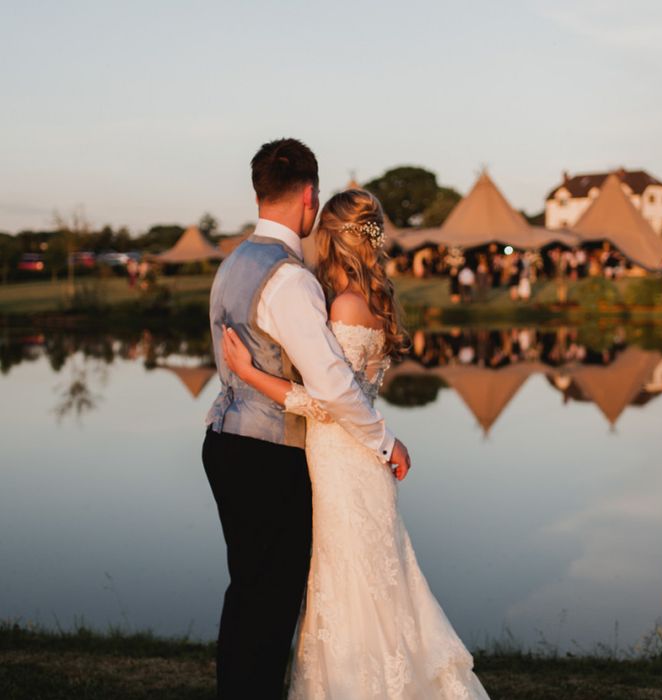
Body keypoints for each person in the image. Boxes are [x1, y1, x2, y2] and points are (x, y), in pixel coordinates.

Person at [221, 188, 490, 699]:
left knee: (350, 592)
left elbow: (329, 402)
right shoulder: (369, 301)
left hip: (342, 465)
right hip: (354, 462)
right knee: (371, 591)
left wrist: (249, 374)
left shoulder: (344, 305)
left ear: (333, 239)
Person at [203, 138, 411, 700]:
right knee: (269, 604)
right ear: (309, 197)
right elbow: (334, 385)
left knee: (246, 592)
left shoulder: (233, 265)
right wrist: (384, 438)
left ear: (257, 191)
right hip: (270, 451)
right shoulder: (291, 279)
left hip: (223, 439)